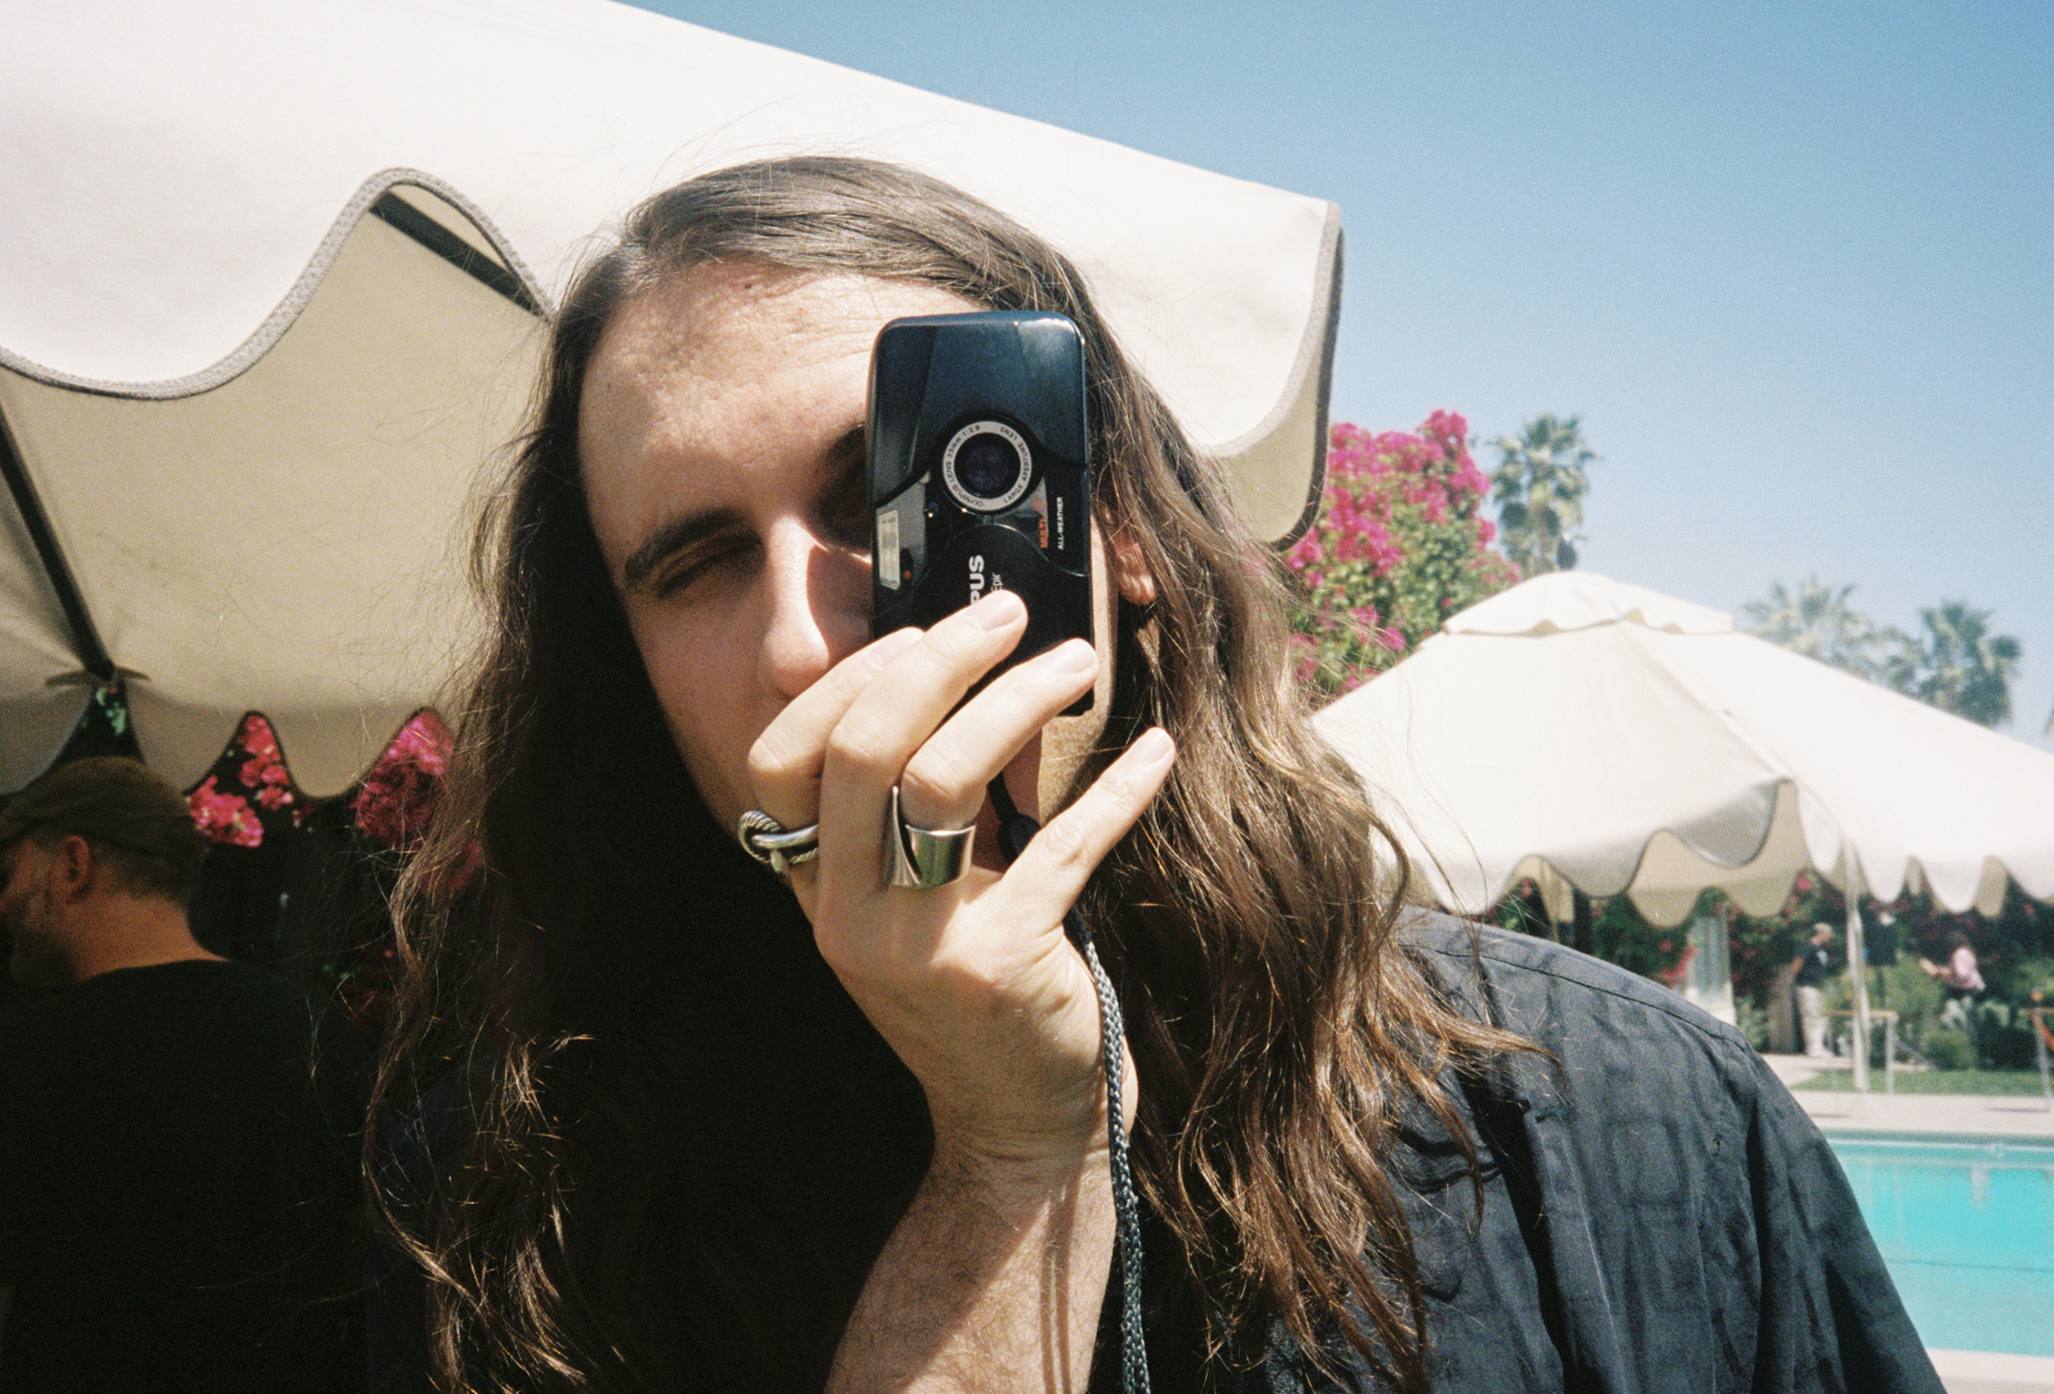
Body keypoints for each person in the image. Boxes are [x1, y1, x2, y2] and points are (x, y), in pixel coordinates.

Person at [368, 157, 1942, 1393]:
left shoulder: (1619, 1112)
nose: (796, 635)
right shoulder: (515, 1197)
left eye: (886, 493)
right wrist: (1006, 1155)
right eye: (696, 562)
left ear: (1114, 530)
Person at [0, 756, 365, 1393]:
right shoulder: (316, 1034)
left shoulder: (25, 1052)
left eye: (8, 873)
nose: (2, 902)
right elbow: (355, 1265)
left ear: (73, 865)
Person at [1793, 922, 1837, 1060]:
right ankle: (1813, 1049)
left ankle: (1818, 1046)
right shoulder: (1807, 947)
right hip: (1807, 986)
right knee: (1811, 1017)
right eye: (1827, 935)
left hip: (1819, 986)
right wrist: (1795, 980)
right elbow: (1797, 963)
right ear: (1820, 933)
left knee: (1821, 1017)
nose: (1828, 938)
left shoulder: (1821, 949)